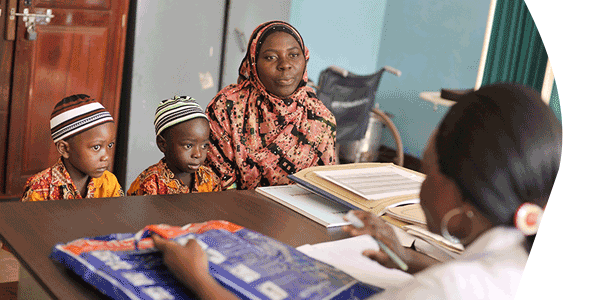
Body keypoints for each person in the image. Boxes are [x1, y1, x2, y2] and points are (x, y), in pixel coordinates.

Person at [152, 83, 561, 299]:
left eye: (427, 169)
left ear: (458, 195)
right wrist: (408, 261)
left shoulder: (444, 290)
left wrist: (201, 280)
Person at [205, 20, 336, 190]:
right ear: (253, 63)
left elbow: (325, 187)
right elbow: (215, 181)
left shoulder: (320, 118)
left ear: (305, 58)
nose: (285, 65)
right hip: (233, 209)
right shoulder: (226, 108)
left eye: (294, 55)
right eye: (271, 57)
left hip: (296, 213)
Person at [21, 94, 124, 201]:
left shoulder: (109, 182)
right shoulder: (39, 189)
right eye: (96, 147)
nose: (106, 157)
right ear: (64, 149)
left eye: (110, 145)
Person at [128, 96, 221, 195]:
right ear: (162, 144)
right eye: (189, 146)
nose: (198, 154)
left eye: (204, 146)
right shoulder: (149, 183)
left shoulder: (210, 178)